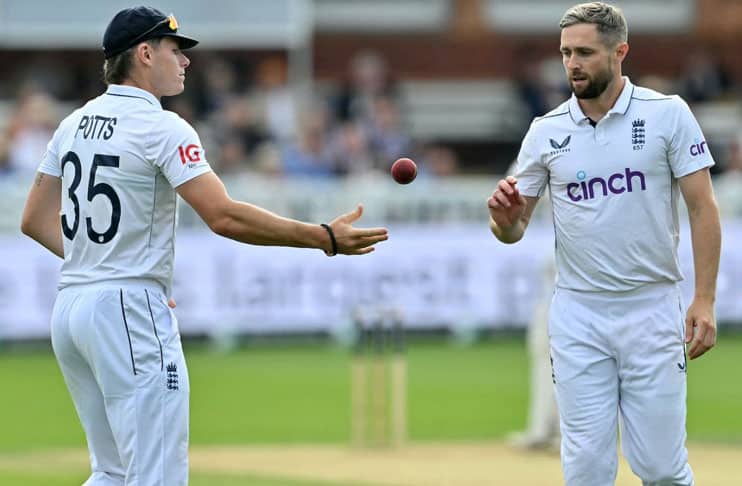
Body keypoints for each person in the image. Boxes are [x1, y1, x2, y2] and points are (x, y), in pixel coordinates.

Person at [20, 6, 388, 486]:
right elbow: (223, 215)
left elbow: (33, 220)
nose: (185, 61)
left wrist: (101, 269)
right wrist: (324, 238)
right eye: (176, 50)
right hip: (127, 309)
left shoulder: (73, 124)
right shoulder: (163, 127)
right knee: (157, 477)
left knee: (111, 473)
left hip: (72, 310)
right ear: (145, 54)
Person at [487, 2, 720, 485]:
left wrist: (704, 299)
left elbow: (703, 208)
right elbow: (513, 229)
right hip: (578, 314)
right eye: (566, 53)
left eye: (585, 53)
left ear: (620, 52)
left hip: (652, 307)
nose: (572, 63)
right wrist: (503, 221)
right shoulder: (545, 131)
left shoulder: (667, 115)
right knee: (586, 468)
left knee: (660, 467)